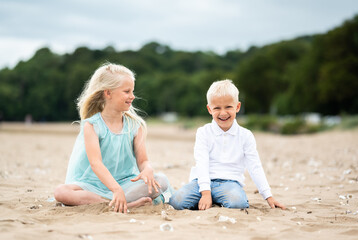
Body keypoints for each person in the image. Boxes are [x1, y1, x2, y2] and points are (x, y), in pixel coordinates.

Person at [54, 63, 171, 213]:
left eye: (132, 91)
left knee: (161, 181)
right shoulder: (92, 125)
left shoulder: (135, 125)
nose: (132, 96)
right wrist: (115, 189)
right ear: (108, 93)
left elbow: (143, 161)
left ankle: (119, 201)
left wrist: (147, 169)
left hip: (125, 183)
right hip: (93, 185)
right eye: (127, 91)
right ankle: (121, 203)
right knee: (61, 192)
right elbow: (96, 164)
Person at [169, 79, 285, 210]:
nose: (223, 113)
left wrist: (268, 196)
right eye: (217, 108)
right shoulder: (203, 132)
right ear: (209, 109)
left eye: (228, 107)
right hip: (200, 182)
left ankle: (217, 199)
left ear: (237, 107)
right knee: (176, 202)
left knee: (237, 203)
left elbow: (255, 167)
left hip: (230, 183)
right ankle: (208, 199)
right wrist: (206, 193)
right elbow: (202, 163)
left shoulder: (246, 136)